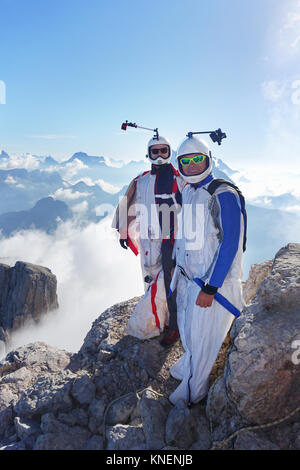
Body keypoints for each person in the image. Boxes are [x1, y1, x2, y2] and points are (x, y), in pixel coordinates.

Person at [168, 134, 246, 405]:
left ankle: (191, 394)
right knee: (189, 332)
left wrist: (211, 288)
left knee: (202, 340)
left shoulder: (222, 193)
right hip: (190, 279)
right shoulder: (189, 190)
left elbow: (231, 245)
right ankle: (188, 366)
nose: (191, 165)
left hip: (212, 286)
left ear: (208, 160)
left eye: (197, 159)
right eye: (185, 160)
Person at [112, 134, 184, 346]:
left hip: (174, 239)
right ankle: (157, 320)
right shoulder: (141, 180)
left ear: (170, 152)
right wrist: (124, 231)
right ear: (149, 153)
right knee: (150, 278)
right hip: (148, 238)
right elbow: (130, 204)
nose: (160, 154)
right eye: (156, 151)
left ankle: (174, 326)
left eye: (164, 150)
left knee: (171, 282)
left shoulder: (180, 180)